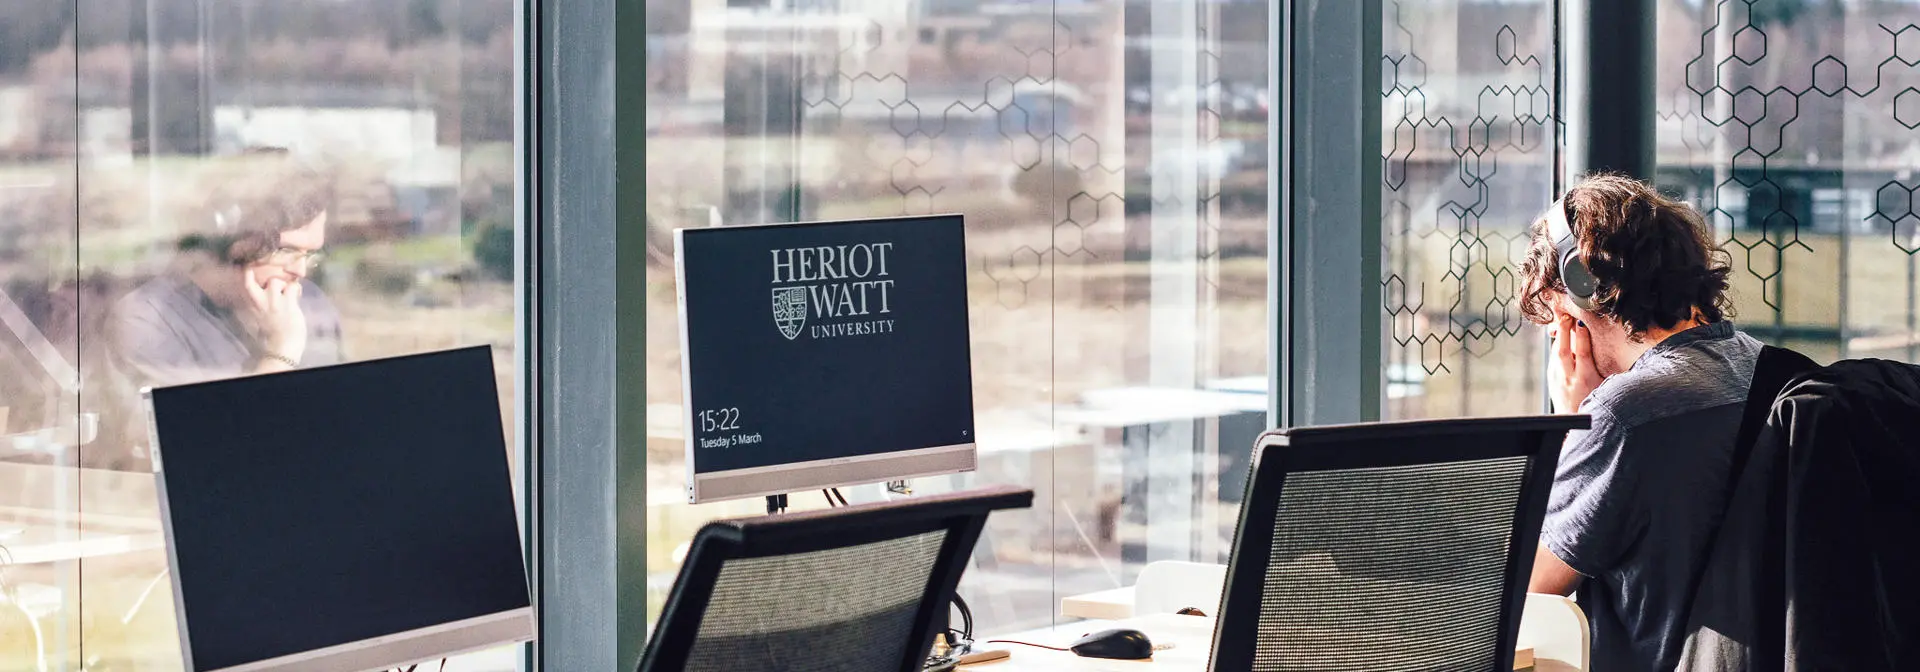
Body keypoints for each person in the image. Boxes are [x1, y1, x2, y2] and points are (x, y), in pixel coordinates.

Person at [1518, 174, 1756, 670]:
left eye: (1557, 320)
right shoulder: (1774, 371)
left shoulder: (1628, 414)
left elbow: (1526, 589)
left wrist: (1574, 422)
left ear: (1581, 298)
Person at [97, 174, 345, 465]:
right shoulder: (147, 320)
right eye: (287, 251)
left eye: (311, 254)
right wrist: (281, 353)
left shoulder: (308, 301)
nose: (300, 271)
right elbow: (207, 452)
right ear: (234, 241)